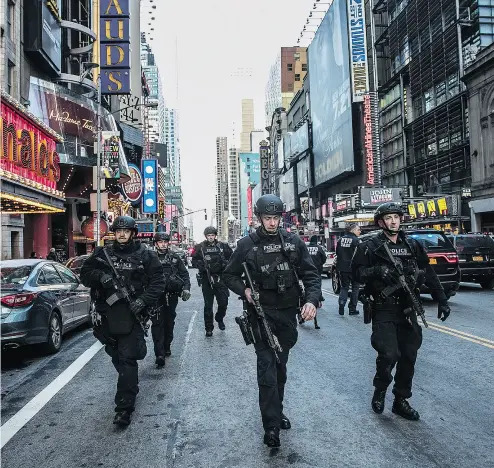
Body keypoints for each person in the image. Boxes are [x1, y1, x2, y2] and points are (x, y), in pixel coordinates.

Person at [223, 194, 321, 448]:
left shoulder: (293, 242)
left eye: (276, 218)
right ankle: (271, 427)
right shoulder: (246, 245)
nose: (272, 223)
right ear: (259, 218)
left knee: (280, 367)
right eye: (267, 218)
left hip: (287, 314)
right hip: (260, 314)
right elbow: (229, 275)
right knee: (266, 368)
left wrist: (311, 300)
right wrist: (244, 291)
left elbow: (311, 274)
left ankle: (277, 410)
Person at [352, 202, 451, 421]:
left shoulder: (412, 246)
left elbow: (428, 271)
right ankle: (380, 389)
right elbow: (356, 274)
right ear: (381, 222)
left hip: (407, 308)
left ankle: (400, 400)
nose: (393, 221)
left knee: (409, 355)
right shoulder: (370, 246)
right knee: (389, 354)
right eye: (388, 218)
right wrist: (377, 271)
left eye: (396, 217)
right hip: (383, 307)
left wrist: (442, 299)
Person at [80, 215, 164, 427]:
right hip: (107, 315)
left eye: (126, 231)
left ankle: (124, 408)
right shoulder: (103, 253)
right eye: (118, 231)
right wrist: (101, 276)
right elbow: (85, 274)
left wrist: (143, 301)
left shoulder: (146, 255)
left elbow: (157, 282)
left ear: (133, 233)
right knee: (116, 355)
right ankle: (130, 382)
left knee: (127, 359)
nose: (122, 234)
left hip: (131, 314)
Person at [151, 233, 191, 367]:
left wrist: (186, 288)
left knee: (169, 322)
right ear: (155, 243)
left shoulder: (174, 258)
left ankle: (166, 345)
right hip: (155, 297)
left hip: (171, 296)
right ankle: (159, 353)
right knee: (157, 323)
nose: (163, 244)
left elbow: (184, 275)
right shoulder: (149, 258)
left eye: (165, 242)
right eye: (160, 242)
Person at [191, 226, 233, 336]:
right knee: (208, 305)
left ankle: (219, 318)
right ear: (206, 236)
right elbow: (193, 260)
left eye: (212, 235)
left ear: (215, 236)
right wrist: (202, 266)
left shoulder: (223, 246)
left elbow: (233, 257)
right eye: (209, 235)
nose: (210, 237)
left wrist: (226, 265)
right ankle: (208, 328)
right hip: (207, 278)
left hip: (221, 277)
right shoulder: (200, 247)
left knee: (223, 302)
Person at [335, 222, 361, 315]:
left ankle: (341, 306)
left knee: (344, 287)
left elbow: (337, 253)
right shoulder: (356, 240)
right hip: (354, 269)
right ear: (353, 230)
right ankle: (352, 309)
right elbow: (360, 255)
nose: (360, 232)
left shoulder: (340, 240)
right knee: (355, 288)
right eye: (358, 230)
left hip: (342, 268)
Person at [306, 235, 326, 329]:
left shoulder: (306, 248)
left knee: (308, 286)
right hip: (317, 270)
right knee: (317, 285)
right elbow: (324, 258)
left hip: (306, 270)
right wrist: (319, 264)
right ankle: (317, 299)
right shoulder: (319, 248)